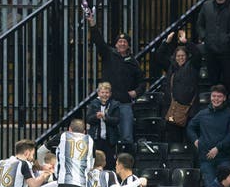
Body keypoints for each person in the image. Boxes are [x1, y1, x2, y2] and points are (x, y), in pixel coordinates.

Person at [86, 12, 146, 145]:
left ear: (128, 45)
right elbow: (98, 41)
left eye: (125, 42)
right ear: (116, 44)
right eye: (120, 41)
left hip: (124, 103)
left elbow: (142, 82)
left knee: (126, 136)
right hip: (107, 103)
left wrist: (136, 92)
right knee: (107, 136)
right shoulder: (108, 54)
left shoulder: (133, 62)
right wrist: (92, 23)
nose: (122, 43)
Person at [155, 29, 201, 144]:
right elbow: (158, 56)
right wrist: (166, 42)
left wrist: (186, 42)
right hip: (172, 109)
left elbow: (198, 54)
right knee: (173, 141)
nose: (180, 58)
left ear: (187, 56)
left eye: (183, 56)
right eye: (178, 56)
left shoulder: (193, 66)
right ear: (174, 57)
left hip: (189, 111)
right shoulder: (171, 67)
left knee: (189, 141)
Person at [186, 84, 230, 187]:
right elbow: (190, 127)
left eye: (219, 96)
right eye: (214, 96)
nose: (216, 99)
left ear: (224, 98)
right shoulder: (202, 114)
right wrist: (195, 140)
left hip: (224, 158)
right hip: (206, 159)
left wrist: (218, 148)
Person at [86, 82, 120, 171]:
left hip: (109, 139)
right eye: (102, 92)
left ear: (110, 93)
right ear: (98, 93)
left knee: (109, 161)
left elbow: (116, 120)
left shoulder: (115, 104)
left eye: (107, 92)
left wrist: (105, 117)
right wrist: (96, 117)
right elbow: (88, 119)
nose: (104, 95)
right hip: (96, 138)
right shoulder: (93, 104)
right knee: (96, 160)